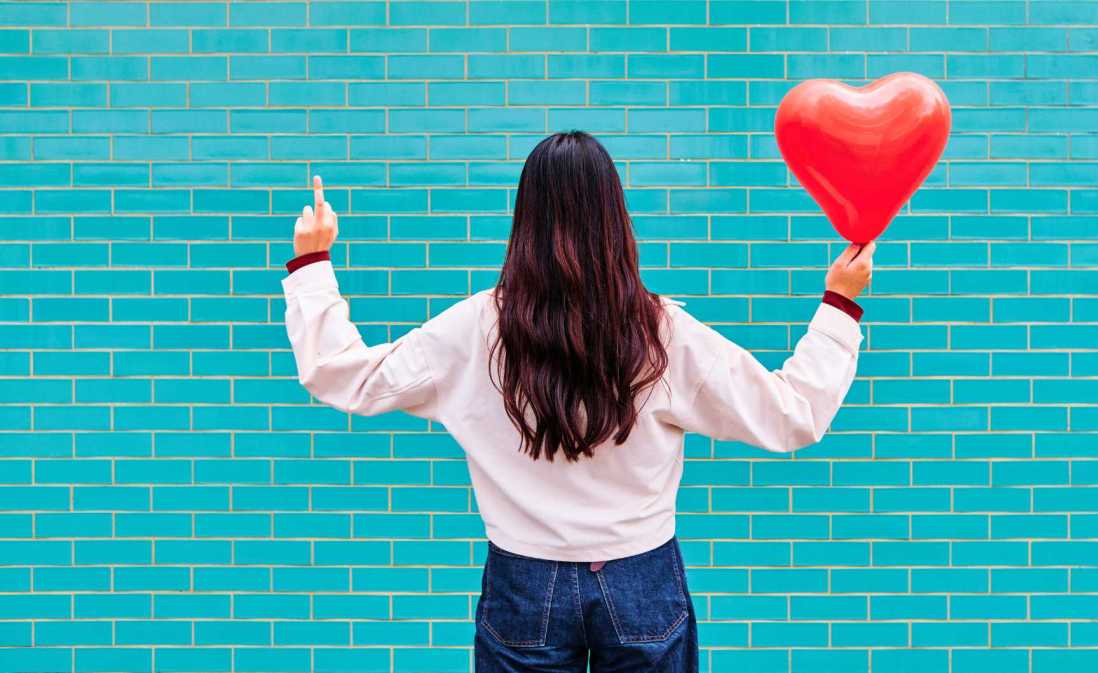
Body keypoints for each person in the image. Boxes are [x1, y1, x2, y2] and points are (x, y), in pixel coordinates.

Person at [280, 130, 874, 673]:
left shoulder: (475, 329)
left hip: (523, 583)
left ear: (524, 218)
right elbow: (792, 415)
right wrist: (839, 305)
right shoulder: (663, 333)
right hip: (641, 579)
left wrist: (312, 263)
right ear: (615, 218)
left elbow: (344, 376)